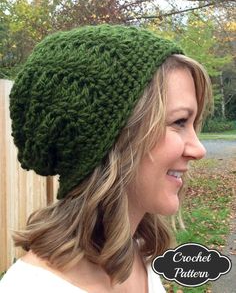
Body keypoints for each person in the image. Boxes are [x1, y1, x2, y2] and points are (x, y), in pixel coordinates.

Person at [0, 24, 212, 292]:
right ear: (116, 140)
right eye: (179, 121)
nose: (198, 149)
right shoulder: (31, 287)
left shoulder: (136, 254)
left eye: (193, 123)